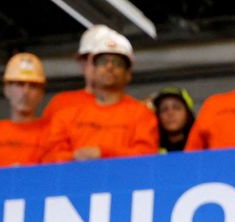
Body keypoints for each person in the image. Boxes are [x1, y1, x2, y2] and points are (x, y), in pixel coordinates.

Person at [41, 28, 158, 162]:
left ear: (128, 74)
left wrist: (103, 153)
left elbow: (147, 156)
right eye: (103, 61)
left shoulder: (142, 115)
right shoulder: (67, 115)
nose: (109, 67)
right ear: (93, 70)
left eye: (117, 63)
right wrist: (74, 157)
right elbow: (49, 158)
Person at [41, 24, 112, 121]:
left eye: (102, 60)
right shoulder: (61, 104)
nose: (98, 67)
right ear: (82, 62)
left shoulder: (130, 108)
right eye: (90, 59)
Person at [153, 87, 195, 152]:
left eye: (176, 107)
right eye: (164, 109)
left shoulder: (202, 146)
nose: (170, 113)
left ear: (188, 114)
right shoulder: (150, 149)